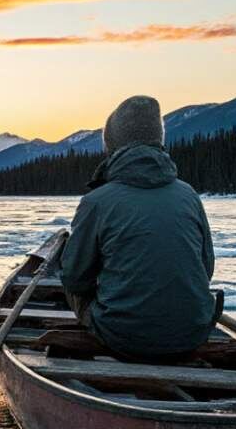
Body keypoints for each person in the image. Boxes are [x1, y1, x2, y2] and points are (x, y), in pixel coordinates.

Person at [59, 95, 217, 360]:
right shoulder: (189, 195)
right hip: (193, 333)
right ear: (160, 141)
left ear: (112, 145)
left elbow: (75, 278)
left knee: (72, 280)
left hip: (123, 337)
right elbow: (206, 268)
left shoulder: (97, 201)